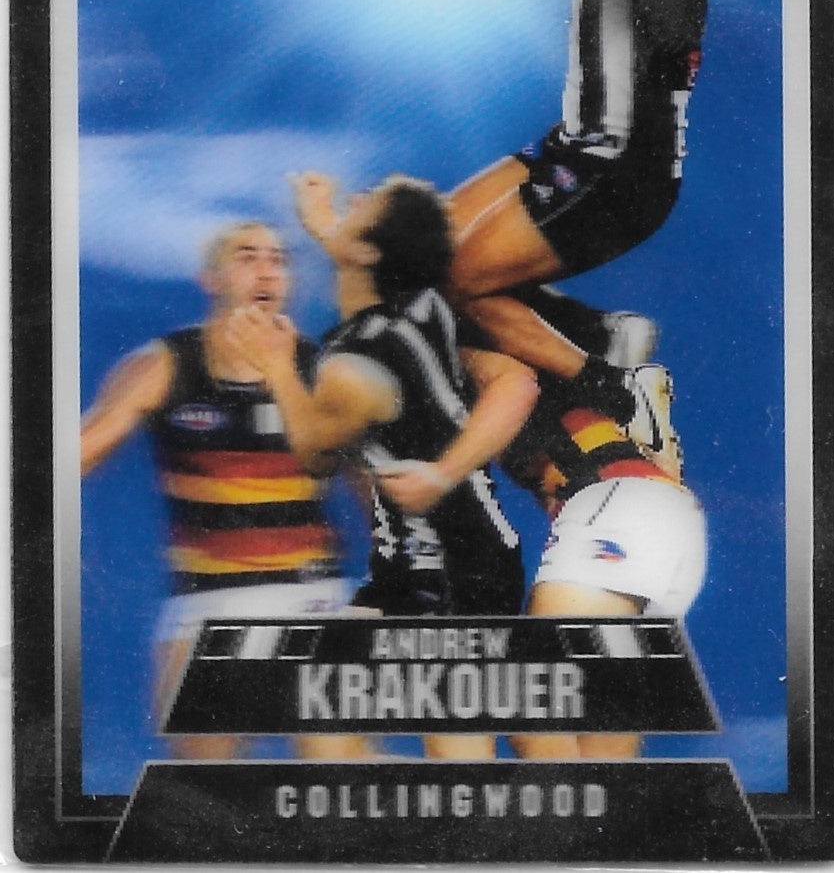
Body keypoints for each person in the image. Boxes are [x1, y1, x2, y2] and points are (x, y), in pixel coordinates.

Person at [448, 0, 737, 429]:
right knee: (428, 248)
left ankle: (613, 392)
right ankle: (599, 333)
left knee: (463, 280)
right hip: (579, 146)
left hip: (624, 172)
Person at [224, 173, 539, 760]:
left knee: (457, 761)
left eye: (363, 205)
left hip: (455, 569)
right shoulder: (421, 306)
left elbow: (315, 451)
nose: (354, 198)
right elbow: (370, 268)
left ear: (369, 251)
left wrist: (276, 366)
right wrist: (328, 227)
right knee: (325, 734)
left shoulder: (355, 369)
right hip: (414, 565)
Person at [81, 220, 367, 760]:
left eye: (278, 259)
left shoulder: (323, 371)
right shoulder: (163, 366)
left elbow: (373, 495)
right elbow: (78, 453)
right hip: (206, 606)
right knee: (204, 796)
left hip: (314, 599)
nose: (266, 270)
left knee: (338, 789)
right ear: (210, 279)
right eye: (247, 256)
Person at [380, 370, 706, 760]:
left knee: (533, 702)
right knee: (596, 751)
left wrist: (439, 476)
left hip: (616, 502)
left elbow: (516, 381)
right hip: (655, 518)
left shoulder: (463, 358)